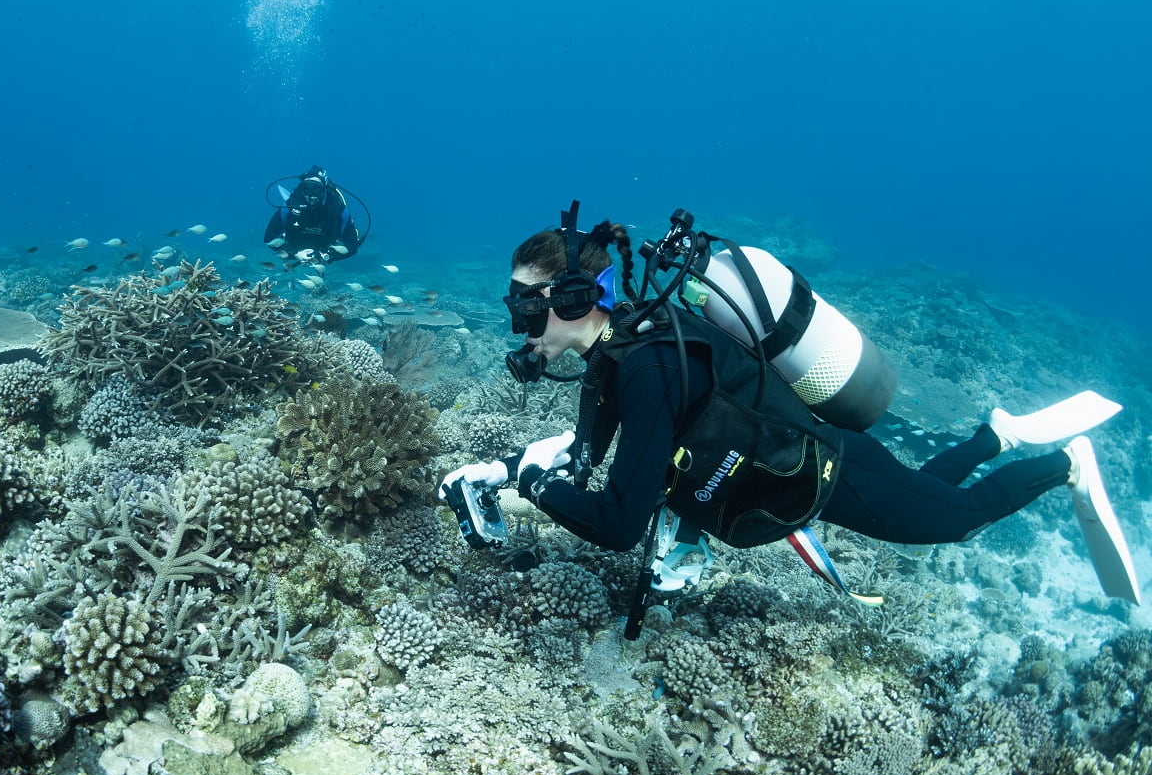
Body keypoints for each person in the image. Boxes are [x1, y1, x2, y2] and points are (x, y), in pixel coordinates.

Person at [440, 202, 1140, 611]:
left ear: (571, 300)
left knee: (957, 520)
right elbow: (586, 461)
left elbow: (622, 523)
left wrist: (533, 485)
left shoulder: (645, 367)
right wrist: (500, 475)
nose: (518, 325)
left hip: (824, 471)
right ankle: (996, 435)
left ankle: (1064, 465)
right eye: (515, 305)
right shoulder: (614, 360)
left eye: (527, 306)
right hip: (808, 456)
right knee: (929, 489)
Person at [264, 165, 364, 263]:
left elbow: (352, 245)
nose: (310, 194)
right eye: (306, 189)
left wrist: (325, 256)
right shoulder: (291, 205)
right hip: (293, 249)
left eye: (316, 189)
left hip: (325, 252)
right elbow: (269, 238)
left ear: (324, 189)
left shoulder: (337, 208)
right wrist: (295, 254)